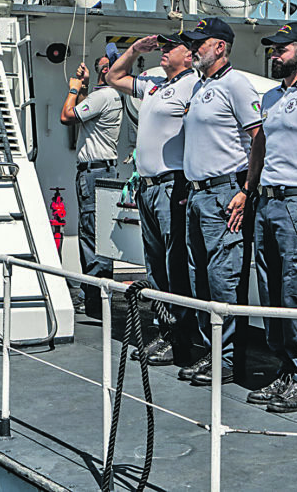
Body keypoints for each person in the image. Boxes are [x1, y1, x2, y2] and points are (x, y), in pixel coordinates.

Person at [231, 22, 297, 413]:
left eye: (281, 49)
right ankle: (283, 370)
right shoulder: (273, 97)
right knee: (272, 292)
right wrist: (249, 188)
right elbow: (259, 145)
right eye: (273, 50)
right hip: (268, 204)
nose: (274, 55)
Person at [176, 17, 263, 386]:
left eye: (201, 42)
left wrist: (247, 189)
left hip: (223, 195)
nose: (194, 48)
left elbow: (259, 138)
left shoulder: (236, 84)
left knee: (223, 279)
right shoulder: (200, 87)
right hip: (198, 196)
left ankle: (226, 360)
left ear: (221, 47)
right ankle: (211, 352)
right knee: (200, 279)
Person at [106, 32, 200, 365]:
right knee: (156, 266)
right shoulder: (155, 85)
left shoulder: (193, 87)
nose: (162, 50)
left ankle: (180, 337)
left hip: (171, 185)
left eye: (169, 47)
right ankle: (164, 331)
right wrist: (133, 50)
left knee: (175, 268)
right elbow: (113, 77)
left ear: (188, 56)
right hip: (147, 187)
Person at [60, 45, 123, 316]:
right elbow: (86, 111)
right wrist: (86, 86)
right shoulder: (105, 96)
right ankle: (96, 296)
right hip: (101, 171)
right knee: (98, 234)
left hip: (94, 173)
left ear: (106, 69)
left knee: (91, 234)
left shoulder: (105, 94)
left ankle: (96, 301)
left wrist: (74, 89)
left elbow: (67, 117)